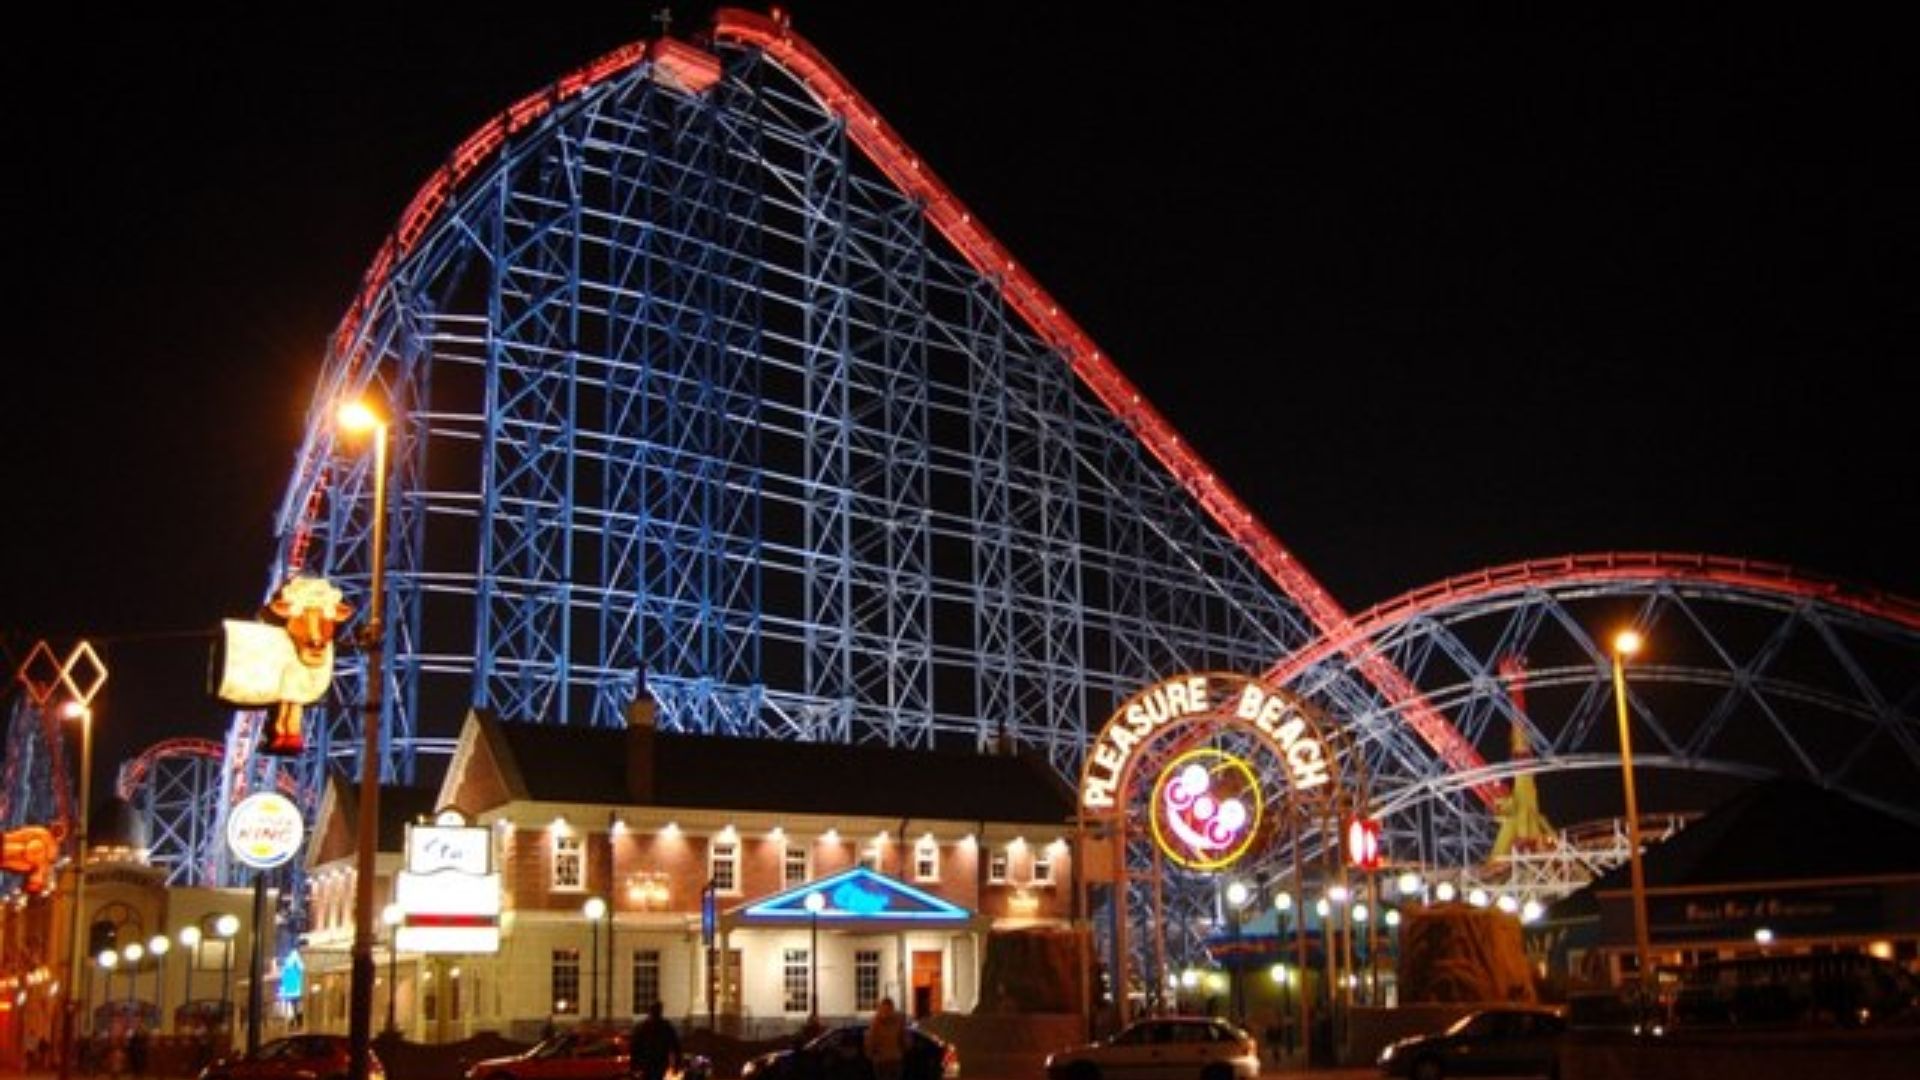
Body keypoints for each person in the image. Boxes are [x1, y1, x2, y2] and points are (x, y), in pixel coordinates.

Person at [629, 1000, 681, 1080]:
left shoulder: (643, 1027)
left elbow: (635, 1047)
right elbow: (675, 1046)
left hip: (652, 1062)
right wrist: (677, 1064)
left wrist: (634, 1065)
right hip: (654, 1062)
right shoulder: (665, 1027)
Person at [863, 997, 908, 1080]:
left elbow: (870, 1041)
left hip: (881, 1060)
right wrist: (902, 1051)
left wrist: (870, 1055)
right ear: (892, 1007)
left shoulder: (875, 1021)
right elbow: (904, 1040)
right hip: (895, 1058)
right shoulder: (899, 1020)